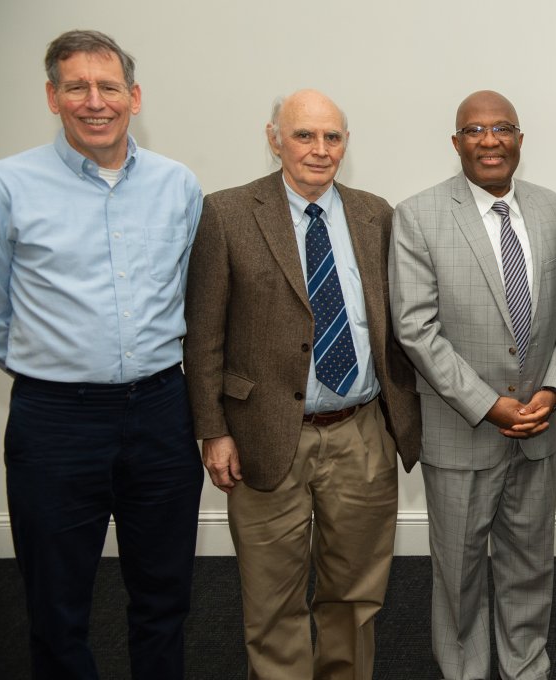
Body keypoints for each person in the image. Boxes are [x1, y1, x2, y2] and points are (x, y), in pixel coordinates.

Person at [0, 30, 203, 679]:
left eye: (108, 86)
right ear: (52, 97)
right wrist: (53, 364)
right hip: (55, 422)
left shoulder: (178, 185)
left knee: (165, 596)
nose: (95, 101)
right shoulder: (2, 185)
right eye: (77, 87)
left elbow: (190, 293)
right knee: (56, 605)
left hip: (161, 413)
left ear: (134, 96)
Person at [182, 89, 421, 680]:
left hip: (361, 433)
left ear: (346, 143)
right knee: (272, 602)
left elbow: (396, 324)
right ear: (274, 139)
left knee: (355, 596)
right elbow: (203, 334)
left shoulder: (375, 215)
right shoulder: (228, 213)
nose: (320, 149)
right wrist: (213, 430)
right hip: (262, 434)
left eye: (332, 137)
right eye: (304, 135)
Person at [389, 90, 556, 680]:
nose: (490, 140)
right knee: (460, 572)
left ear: (520, 139)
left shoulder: (553, 210)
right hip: (462, 430)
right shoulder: (418, 215)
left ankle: (526, 666)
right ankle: (464, 671)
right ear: (456, 143)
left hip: (537, 428)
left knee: (530, 564)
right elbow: (415, 328)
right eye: (475, 131)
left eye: (502, 128)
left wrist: (553, 392)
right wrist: (489, 405)